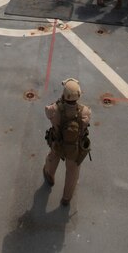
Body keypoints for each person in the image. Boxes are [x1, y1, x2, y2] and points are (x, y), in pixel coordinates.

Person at [43, 78, 91, 206]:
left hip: (58, 143)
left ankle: (49, 176)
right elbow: (86, 124)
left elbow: (47, 112)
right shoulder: (85, 111)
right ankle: (66, 198)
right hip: (74, 148)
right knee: (72, 172)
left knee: (52, 158)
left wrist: (60, 101)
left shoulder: (54, 109)